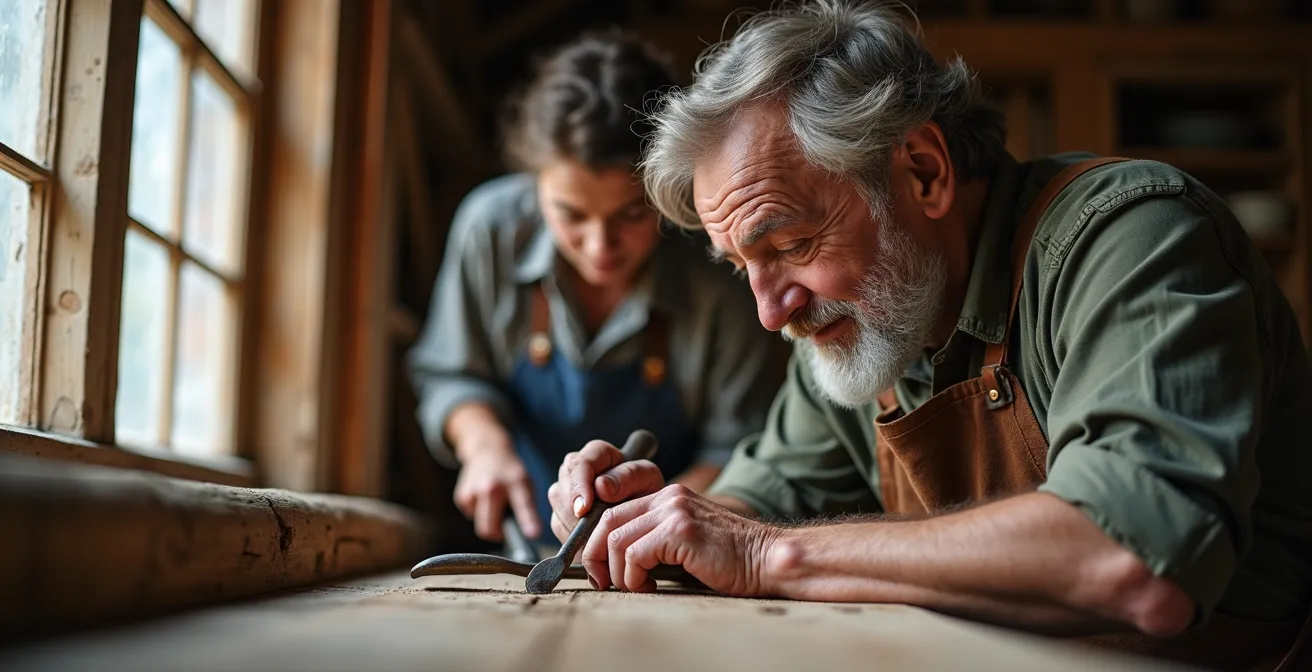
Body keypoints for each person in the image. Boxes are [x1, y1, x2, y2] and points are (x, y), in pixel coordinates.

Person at [543, 2, 1312, 669]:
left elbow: (1136, 560)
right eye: (743, 264)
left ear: (922, 171)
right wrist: (646, 517)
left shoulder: (1127, 238)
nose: (770, 312)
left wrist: (764, 554)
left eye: (791, 245)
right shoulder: (865, 328)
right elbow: (758, 498)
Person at [407, 31, 787, 547]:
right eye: (570, 215)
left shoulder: (716, 265)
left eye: (632, 214)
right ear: (534, 183)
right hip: (521, 542)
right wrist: (483, 446)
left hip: (667, 554)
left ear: (666, 189)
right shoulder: (490, 228)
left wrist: (657, 521)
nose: (599, 245)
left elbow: (739, 450)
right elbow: (452, 374)